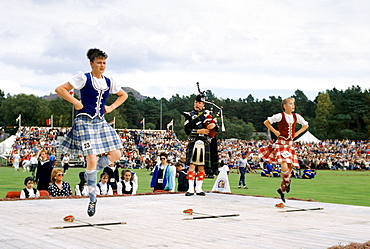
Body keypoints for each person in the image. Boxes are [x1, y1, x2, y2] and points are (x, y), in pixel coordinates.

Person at [55, 48, 128, 216]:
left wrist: (111, 107)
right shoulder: (83, 77)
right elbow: (60, 89)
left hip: (100, 121)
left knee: (116, 154)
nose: (102, 66)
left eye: (104, 63)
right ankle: (93, 198)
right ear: (91, 63)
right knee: (92, 159)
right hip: (84, 121)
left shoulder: (109, 81)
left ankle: (90, 173)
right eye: (99, 63)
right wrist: (75, 102)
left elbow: (123, 95)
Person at [258, 97, 309, 202]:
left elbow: (306, 125)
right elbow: (266, 122)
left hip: (290, 144)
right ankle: (287, 182)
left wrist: (297, 133)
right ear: (285, 106)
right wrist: (275, 131)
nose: (293, 105)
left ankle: (281, 189)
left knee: (289, 168)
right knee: (284, 163)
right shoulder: (280, 116)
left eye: (293, 104)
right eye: (290, 103)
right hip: (281, 143)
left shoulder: (296, 116)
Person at [182, 91, 219, 196]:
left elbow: (216, 128)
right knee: (192, 165)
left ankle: (199, 189)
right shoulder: (190, 115)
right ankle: (190, 189)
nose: (197, 104)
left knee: (202, 167)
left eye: (199, 103)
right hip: (194, 141)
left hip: (204, 142)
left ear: (203, 104)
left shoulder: (207, 115)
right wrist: (199, 131)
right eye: (196, 102)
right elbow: (187, 130)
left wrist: (214, 127)